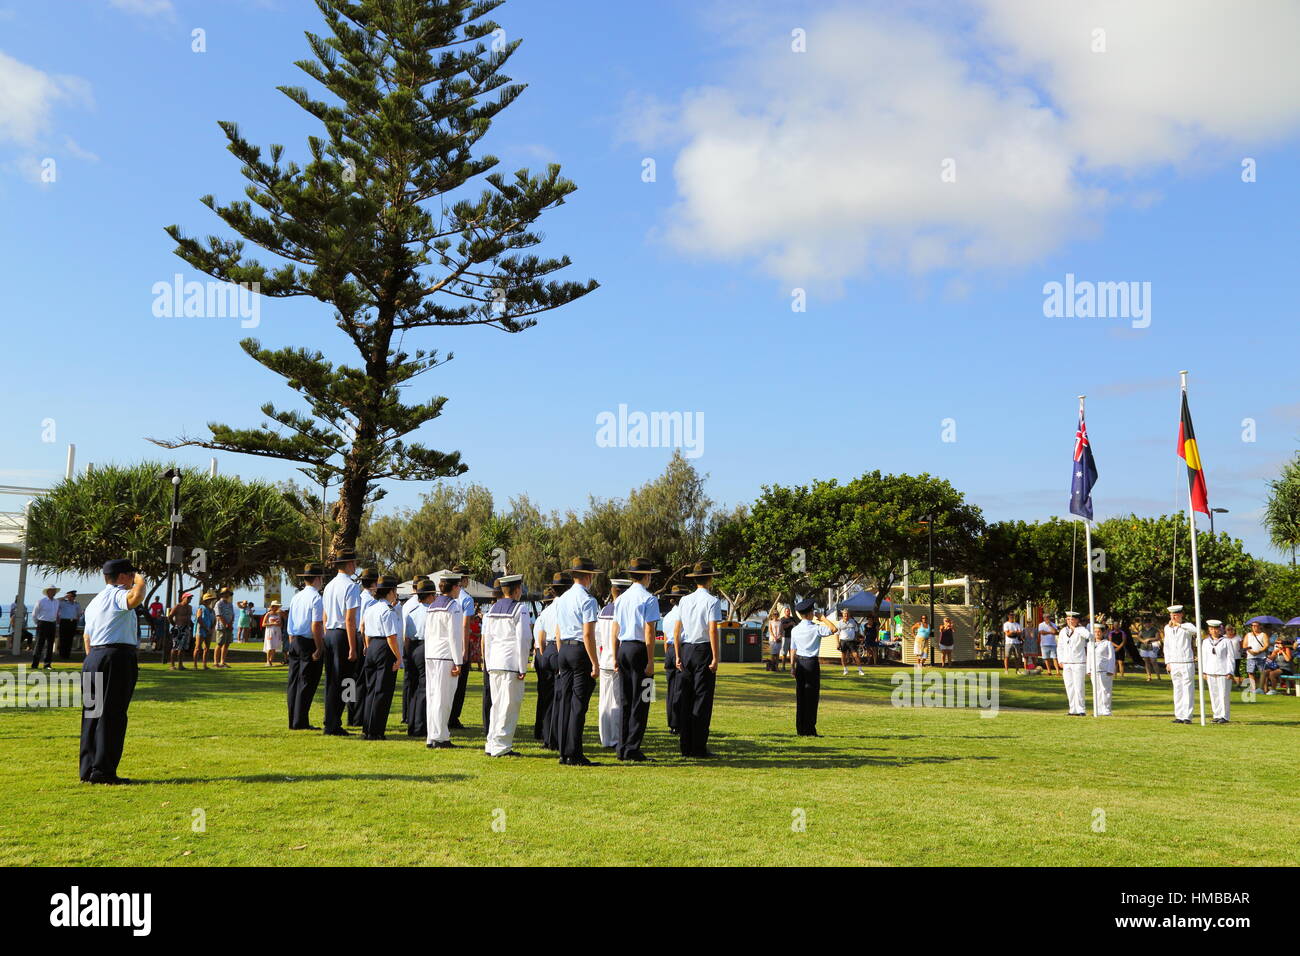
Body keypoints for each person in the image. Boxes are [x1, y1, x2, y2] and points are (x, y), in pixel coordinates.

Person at [79, 559, 147, 784]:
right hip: (116, 656)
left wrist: (92, 659)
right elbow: (135, 598)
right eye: (131, 574)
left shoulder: (94, 602)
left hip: (94, 657)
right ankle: (104, 771)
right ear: (122, 577)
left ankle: (88, 769)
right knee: (112, 714)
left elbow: (87, 636)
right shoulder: (117, 594)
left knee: (92, 713)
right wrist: (140, 579)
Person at [551, 557, 601, 766]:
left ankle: (564, 750)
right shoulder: (588, 600)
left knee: (565, 702)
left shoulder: (563, 599)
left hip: (564, 649)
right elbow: (588, 634)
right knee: (578, 704)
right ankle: (574, 752)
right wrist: (595, 663)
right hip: (580, 650)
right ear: (588, 577)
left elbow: (559, 629)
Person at [612, 557, 661, 762]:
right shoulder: (649, 599)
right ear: (647, 576)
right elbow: (650, 631)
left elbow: (615, 629)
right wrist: (651, 660)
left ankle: (623, 746)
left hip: (624, 648)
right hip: (640, 649)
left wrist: (615, 656)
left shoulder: (621, 598)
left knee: (625, 699)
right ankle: (633, 747)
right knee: (642, 699)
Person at [674, 561, 723, 759]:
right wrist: (716, 657)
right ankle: (698, 746)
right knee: (702, 699)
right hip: (702, 650)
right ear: (710, 579)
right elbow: (712, 629)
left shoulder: (684, 600)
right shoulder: (712, 601)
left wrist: (677, 654)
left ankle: (685, 745)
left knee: (686, 698)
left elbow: (677, 629)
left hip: (686, 649)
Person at [482, 574, 533, 757]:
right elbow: (524, 639)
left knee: (496, 705)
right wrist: (523, 666)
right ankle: (502, 745)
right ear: (517, 590)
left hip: (495, 661)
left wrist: (487, 662)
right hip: (510, 663)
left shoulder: (493, 608)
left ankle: (492, 742)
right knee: (508, 705)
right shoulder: (520, 609)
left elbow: (488, 639)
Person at [321, 550, 361, 737]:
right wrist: (353, 647)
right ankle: (334, 722)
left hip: (329, 633)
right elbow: (350, 619)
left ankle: (330, 719)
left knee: (332, 680)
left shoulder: (329, 586)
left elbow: (325, 615)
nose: (356, 566)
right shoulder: (351, 586)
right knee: (345, 680)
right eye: (354, 563)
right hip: (342, 635)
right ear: (349, 564)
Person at [424, 570, 465, 749]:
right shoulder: (453, 606)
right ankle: (441, 737)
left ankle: (432, 735)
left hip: (431, 654)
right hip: (444, 655)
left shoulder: (432, 605)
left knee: (433, 696)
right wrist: (458, 661)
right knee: (444, 697)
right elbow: (454, 636)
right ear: (455, 587)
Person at [360, 574, 403, 740]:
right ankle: (376, 730)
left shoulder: (371, 608)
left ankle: (367, 727)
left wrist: (366, 646)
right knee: (383, 691)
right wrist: (398, 658)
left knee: (370, 689)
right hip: (384, 648)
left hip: (371, 646)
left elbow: (363, 629)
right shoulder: (388, 611)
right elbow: (391, 637)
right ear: (391, 591)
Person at [286, 564, 326, 730]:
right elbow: (316, 625)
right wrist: (319, 647)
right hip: (309, 642)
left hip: (295, 640)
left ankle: (293, 720)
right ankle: (301, 721)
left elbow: (290, 624)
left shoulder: (297, 597)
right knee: (307, 682)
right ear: (317, 579)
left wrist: (290, 644)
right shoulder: (316, 598)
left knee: (293, 682)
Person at [532, 574, 570, 748]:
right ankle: (555, 737)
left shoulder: (546, 611)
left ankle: (547, 737)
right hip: (558, 648)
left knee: (546, 698)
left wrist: (543, 654)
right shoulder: (566, 607)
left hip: (546, 650)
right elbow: (559, 632)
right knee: (560, 697)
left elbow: (540, 637)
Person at [790, 599, 837, 736]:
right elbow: (834, 629)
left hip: (800, 663)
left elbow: (792, 649)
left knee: (801, 696)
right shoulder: (816, 628)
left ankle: (800, 728)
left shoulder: (795, 629)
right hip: (811, 663)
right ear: (811, 613)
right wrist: (822, 618)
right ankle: (810, 729)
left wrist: (792, 666)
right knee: (812, 697)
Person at [403, 578, 436, 738]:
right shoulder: (432, 612)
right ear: (430, 596)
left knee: (414, 688)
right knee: (424, 688)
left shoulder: (411, 611)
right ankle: (420, 726)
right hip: (426, 647)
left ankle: (412, 723)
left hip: (412, 648)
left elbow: (407, 637)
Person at [595, 578, 625, 751]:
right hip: (616, 659)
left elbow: (598, 637)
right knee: (616, 701)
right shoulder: (621, 610)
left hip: (604, 658)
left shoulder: (604, 610)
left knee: (604, 701)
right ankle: (614, 737)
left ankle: (605, 737)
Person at [447, 564, 476, 730]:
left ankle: (447, 715)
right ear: (464, 579)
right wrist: (465, 649)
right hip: (459, 642)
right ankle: (453, 717)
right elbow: (466, 626)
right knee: (460, 683)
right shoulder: (466, 598)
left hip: (445, 645)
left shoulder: (445, 596)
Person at [351, 568, 379, 727]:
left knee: (352, 679)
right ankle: (358, 716)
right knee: (362, 680)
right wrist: (366, 645)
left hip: (356, 636)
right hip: (363, 637)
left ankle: (352, 714)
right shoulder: (370, 600)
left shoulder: (361, 596)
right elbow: (364, 624)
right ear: (374, 583)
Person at [1163, 605, 1198, 724]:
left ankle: (1187, 716)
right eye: (1172, 615)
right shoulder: (1167, 628)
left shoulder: (1187, 626)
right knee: (1177, 689)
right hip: (1174, 662)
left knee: (1187, 689)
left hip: (1186, 661)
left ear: (1181, 615)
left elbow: (1196, 631)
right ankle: (1179, 715)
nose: (1173, 616)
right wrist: (1167, 661)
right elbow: (1166, 646)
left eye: (1176, 614)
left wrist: (1179, 625)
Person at [660, 585, 687, 732]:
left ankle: (671, 722)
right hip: (679, 649)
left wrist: (668, 655)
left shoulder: (668, 616)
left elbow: (665, 638)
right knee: (680, 689)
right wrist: (678, 655)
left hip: (669, 650)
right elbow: (678, 636)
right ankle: (678, 723)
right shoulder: (681, 614)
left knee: (671, 689)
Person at [1200, 620, 1234, 722]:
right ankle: (1217, 714)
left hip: (1223, 671)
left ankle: (1224, 716)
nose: (1214, 631)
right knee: (1214, 694)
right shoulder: (1206, 642)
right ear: (1209, 630)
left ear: (1220, 629)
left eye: (1216, 629)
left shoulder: (1227, 641)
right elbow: (1204, 657)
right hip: (1210, 671)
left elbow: (1230, 657)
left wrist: (1230, 671)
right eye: (1211, 629)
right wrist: (1204, 671)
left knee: (1223, 694)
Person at [1057, 611, 1089, 716]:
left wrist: (1075, 629)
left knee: (1079, 686)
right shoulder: (1063, 631)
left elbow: (1088, 636)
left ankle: (1081, 709)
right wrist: (1060, 660)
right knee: (1069, 686)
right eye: (1067, 619)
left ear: (1077, 620)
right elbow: (1060, 646)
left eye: (1072, 619)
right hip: (1067, 662)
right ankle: (1072, 709)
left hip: (1078, 662)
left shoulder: (1081, 629)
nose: (1069, 621)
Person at [1087, 621, 1115, 716]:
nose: (1097, 633)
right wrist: (1088, 669)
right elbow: (1089, 657)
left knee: (1105, 690)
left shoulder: (1107, 643)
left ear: (1103, 632)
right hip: (1094, 670)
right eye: (1095, 632)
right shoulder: (1090, 644)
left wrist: (1110, 670)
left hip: (1104, 670)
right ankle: (1098, 709)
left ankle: (1106, 709)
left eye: (1099, 631)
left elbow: (1111, 657)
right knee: (1096, 691)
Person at [33, 586, 59, 669]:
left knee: (50, 644)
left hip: (52, 624)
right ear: (48, 592)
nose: (53, 592)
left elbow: (56, 613)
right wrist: (38, 623)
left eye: (54, 591)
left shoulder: (56, 602)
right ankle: (35, 664)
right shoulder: (41, 601)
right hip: (42, 623)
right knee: (39, 644)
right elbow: (34, 614)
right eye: (52, 591)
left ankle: (47, 664)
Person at [168, 593, 194, 670]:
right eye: (188, 598)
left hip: (186, 629)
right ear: (183, 598)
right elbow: (170, 616)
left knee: (183, 648)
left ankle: (180, 665)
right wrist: (175, 625)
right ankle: (172, 665)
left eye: (190, 598)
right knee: (175, 647)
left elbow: (189, 618)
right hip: (178, 628)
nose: (190, 599)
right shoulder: (178, 606)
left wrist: (190, 627)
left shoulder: (190, 607)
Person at [1244, 621, 1271, 694]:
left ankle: (1264, 689)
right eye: (1253, 626)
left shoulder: (1263, 634)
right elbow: (1245, 645)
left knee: (1263, 673)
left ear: (1260, 626)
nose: (1254, 627)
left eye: (1256, 625)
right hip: (1250, 657)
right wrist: (1250, 651)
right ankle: (1253, 689)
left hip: (1261, 657)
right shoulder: (1248, 635)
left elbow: (1266, 645)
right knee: (1250, 672)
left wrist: (1259, 651)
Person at [213, 589, 235, 668]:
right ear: (222, 594)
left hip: (229, 626)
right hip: (221, 627)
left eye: (228, 594)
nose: (227, 595)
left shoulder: (230, 604)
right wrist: (225, 624)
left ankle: (223, 661)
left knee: (227, 644)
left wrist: (230, 624)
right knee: (219, 644)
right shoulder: (218, 603)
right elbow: (218, 615)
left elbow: (232, 615)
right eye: (225, 593)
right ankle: (216, 662)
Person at [838, 609, 864, 676]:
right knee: (843, 656)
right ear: (842, 615)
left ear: (849, 614)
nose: (846, 615)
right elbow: (837, 634)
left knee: (856, 655)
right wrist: (837, 643)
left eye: (847, 613)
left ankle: (860, 670)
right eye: (845, 614)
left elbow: (856, 631)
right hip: (843, 641)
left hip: (851, 641)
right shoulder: (840, 623)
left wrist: (856, 638)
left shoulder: (853, 621)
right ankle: (845, 670)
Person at [193, 593, 215, 670]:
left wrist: (212, 629)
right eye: (208, 599)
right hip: (201, 630)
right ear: (205, 600)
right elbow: (199, 619)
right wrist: (206, 628)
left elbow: (214, 621)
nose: (209, 601)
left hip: (209, 630)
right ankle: (195, 665)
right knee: (198, 647)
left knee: (207, 648)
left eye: (210, 600)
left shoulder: (211, 610)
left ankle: (204, 665)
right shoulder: (201, 608)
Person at [57, 592, 82, 661]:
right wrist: (64, 597)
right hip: (64, 622)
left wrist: (77, 622)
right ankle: (62, 655)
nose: (72, 598)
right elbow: (56, 603)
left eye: (73, 596)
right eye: (70, 596)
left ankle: (67, 655)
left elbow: (79, 613)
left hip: (72, 622)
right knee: (63, 639)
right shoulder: (63, 603)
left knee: (70, 639)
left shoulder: (76, 604)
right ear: (67, 596)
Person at [1136, 618, 1161, 682]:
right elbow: (1138, 637)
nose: (1147, 624)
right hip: (1144, 647)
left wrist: (1149, 639)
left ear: (1150, 623)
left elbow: (1158, 638)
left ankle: (1158, 676)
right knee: (1146, 662)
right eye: (1145, 623)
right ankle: (1149, 676)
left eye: (1148, 623)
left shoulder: (1155, 630)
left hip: (1152, 647)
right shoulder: (1142, 630)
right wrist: (1143, 641)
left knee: (1153, 661)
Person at [262, 600, 284, 665]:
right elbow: (263, 624)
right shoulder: (268, 614)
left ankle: (271, 660)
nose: (277, 608)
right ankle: (268, 661)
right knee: (269, 646)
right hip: (270, 632)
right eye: (276, 606)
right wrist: (272, 623)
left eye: (278, 607)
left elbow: (281, 624)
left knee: (274, 647)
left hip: (277, 631)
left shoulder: (278, 614)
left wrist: (278, 624)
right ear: (272, 607)